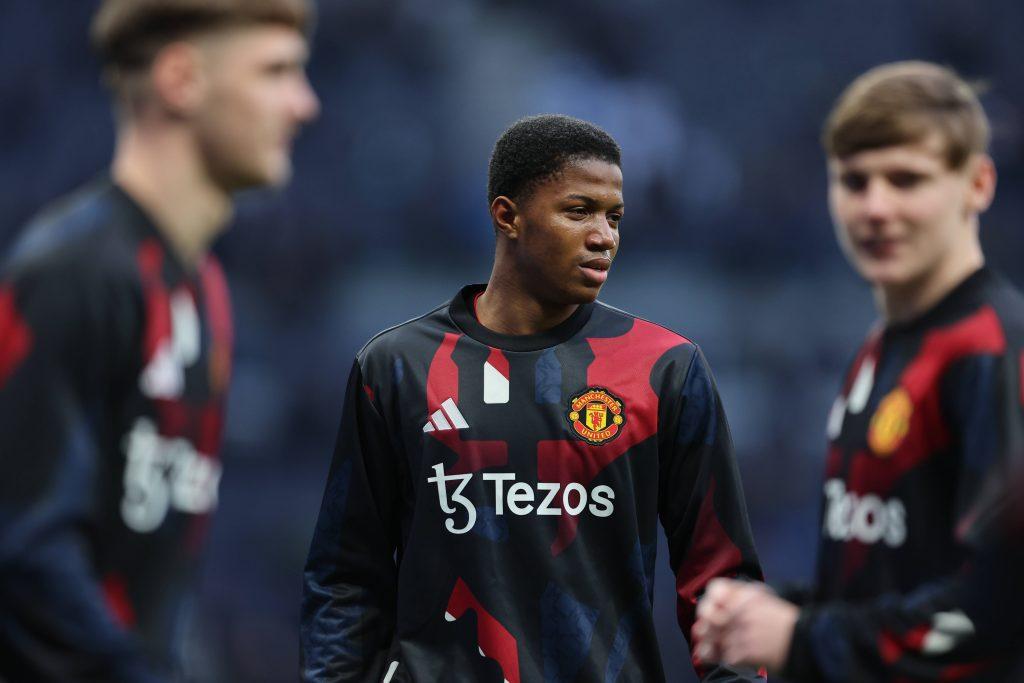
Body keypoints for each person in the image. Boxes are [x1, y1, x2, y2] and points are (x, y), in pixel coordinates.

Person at [301, 114, 764, 682]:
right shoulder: (396, 366)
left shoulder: (666, 369)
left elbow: (721, 581)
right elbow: (346, 581)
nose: (605, 236)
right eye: (579, 211)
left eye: (614, 216)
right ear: (508, 216)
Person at [0, 0, 319, 679]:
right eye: (275, 72)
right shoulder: (75, 271)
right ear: (181, 79)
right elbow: (22, 546)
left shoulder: (203, 290)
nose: (304, 104)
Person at [692, 61, 1024, 681]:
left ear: (977, 184)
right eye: (854, 181)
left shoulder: (995, 351)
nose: (875, 207)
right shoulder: (881, 348)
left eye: (906, 180)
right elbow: (890, 583)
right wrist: (773, 612)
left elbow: (999, 610)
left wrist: (803, 638)